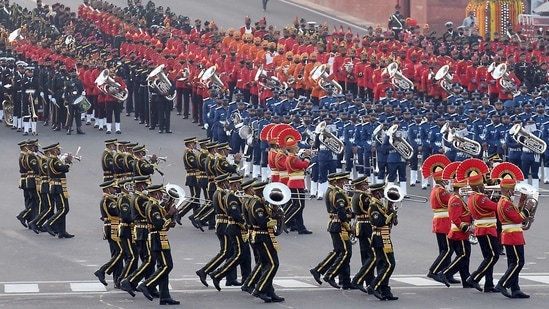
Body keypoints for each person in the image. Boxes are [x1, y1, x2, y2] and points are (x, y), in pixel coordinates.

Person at [136, 184, 180, 305]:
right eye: (161, 193)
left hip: (160, 237)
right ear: (156, 193)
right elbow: (158, 224)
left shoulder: (156, 206)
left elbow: (163, 224)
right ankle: (146, 284)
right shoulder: (153, 206)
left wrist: (170, 220)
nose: (163, 195)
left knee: (163, 266)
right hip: (157, 238)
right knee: (167, 266)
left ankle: (164, 296)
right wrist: (169, 214)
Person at [248, 181, 285, 302]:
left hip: (263, 236)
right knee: (273, 264)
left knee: (266, 265)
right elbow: (263, 223)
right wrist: (276, 217)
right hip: (262, 237)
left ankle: (270, 291)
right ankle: (259, 289)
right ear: (259, 191)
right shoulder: (257, 204)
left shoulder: (260, 203)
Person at [495, 178, 532, 298]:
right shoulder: (505, 203)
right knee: (518, 262)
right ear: (507, 190)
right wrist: (527, 209)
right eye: (512, 189)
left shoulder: (506, 202)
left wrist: (522, 200)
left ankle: (515, 288)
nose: (513, 191)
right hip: (512, 236)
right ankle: (503, 283)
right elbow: (517, 218)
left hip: (512, 235)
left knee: (513, 262)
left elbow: (516, 213)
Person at [433, 177, 473, 288]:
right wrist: (466, 228)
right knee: (463, 255)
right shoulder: (455, 199)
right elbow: (455, 218)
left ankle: (466, 280)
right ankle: (445, 273)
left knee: (465, 256)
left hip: (460, 232)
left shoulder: (458, 198)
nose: (466, 189)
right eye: (463, 188)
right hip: (458, 232)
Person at [465, 174, 499, 292]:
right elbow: (496, 207)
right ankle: (475, 277)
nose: (484, 187)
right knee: (494, 255)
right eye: (482, 185)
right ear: (478, 186)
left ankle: (489, 284)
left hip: (481, 229)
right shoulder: (481, 198)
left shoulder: (472, 197)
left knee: (488, 257)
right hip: (487, 229)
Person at [367, 181, 399, 300]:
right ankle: (374, 285)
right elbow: (379, 222)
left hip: (385, 236)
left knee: (383, 264)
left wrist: (392, 209)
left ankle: (385, 290)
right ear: (377, 193)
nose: (384, 194)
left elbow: (393, 222)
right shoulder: (374, 206)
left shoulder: (381, 205)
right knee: (390, 264)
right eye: (382, 192)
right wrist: (390, 212)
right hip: (380, 237)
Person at [94, 179, 123, 288]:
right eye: (113, 188)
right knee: (121, 252)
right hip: (112, 228)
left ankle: (117, 280)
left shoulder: (111, 199)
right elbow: (117, 212)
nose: (115, 190)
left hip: (114, 227)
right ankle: (102, 270)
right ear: (107, 189)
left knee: (116, 254)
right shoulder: (108, 200)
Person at [42, 142, 74, 239]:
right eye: (58, 149)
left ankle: (62, 231)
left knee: (62, 209)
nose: (59, 151)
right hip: (57, 187)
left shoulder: (53, 159)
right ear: (54, 150)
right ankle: (49, 224)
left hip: (58, 186)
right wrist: (69, 162)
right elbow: (64, 169)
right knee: (64, 209)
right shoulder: (54, 160)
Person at [64, 67, 85, 135]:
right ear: (70, 74)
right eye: (72, 73)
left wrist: (83, 94)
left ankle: (79, 128)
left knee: (78, 114)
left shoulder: (79, 81)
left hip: (78, 99)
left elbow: (82, 90)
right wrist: (66, 99)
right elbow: (66, 92)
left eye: (74, 73)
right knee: (71, 115)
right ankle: (69, 128)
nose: (73, 74)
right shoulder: (67, 82)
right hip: (71, 99)